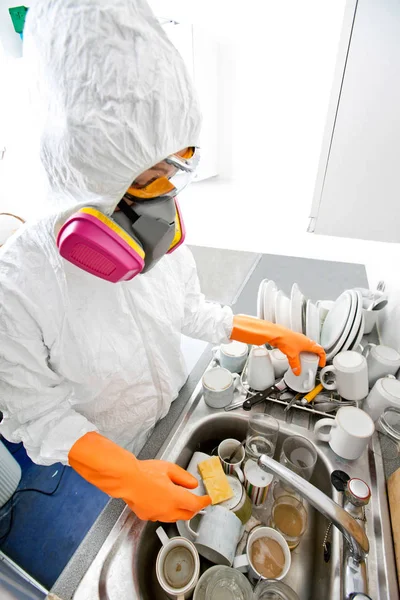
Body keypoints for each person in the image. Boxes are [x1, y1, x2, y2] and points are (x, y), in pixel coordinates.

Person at [0, 0, 325, 523]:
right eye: (143, 177)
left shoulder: (153, 223)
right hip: (113, 443)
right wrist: (125, 475)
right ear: (84, 169)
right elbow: (38, 413)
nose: (163, 197)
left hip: (175, 408)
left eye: (172, 168)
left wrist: (269, 335)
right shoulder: (18, 284)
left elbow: (189, 310)